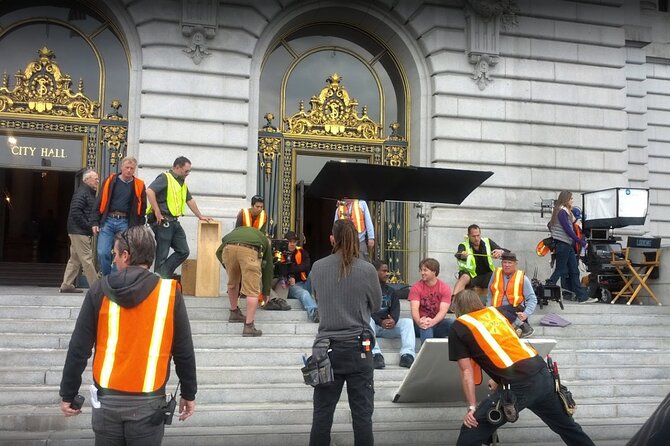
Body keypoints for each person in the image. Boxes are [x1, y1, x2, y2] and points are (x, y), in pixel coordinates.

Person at [58, 226, 197, 445]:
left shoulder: (99, 290)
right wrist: (189, 393)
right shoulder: (169, 293)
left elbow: (78, 348)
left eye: (114, 254)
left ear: (126, 255)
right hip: (148, 403)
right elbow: (183, 350)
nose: (113, 260)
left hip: (107, 402)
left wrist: (68, 393)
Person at [448, 290, 595, 446]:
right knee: (568, 428)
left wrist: (471, 407)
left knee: (471, 429)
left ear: (457, 308)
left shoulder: (459, 326)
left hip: (518, 385)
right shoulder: (496, 312)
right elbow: (507, 345)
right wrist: (498, 379)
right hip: (543, 375)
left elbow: (466, 371)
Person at [309, 219, 381, 446]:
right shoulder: (367, 269)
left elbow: (317, 297)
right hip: (359, 347)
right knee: (362, 415)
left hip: (325, 349)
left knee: (322, 414)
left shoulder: (318, 267)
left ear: (333, 238)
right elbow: (377, 305)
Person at [146, 156, 214, 279]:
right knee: (162, 253)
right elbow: (150, 191)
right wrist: (157, 211)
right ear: (177, 167)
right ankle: (159, 279)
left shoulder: (181, 182)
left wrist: (200, 216)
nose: (188, 173)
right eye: (186, 171)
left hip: (174, 221)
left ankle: (160, 274)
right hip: (163, 221)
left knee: (183, 251)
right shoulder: (165, 178)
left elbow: (189, 200)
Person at [216, 225, 273, 337]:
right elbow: (268, 268)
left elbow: (218, 252)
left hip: (228, 248)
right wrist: (266, 292)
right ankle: (249, 326)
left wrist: (228, 266)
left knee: (232, 283)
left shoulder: (239, 231)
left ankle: (234, 313)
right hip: (249, 251)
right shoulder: (264, 241)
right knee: (252, 289)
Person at [94, 156, 147, 276]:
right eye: (127, 167)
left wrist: (139, 227)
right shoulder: (110, 181)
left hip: (125, 222)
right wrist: (95, 222)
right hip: (108, 220)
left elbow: (142, 207)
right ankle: (107, 277)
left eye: (132, 168)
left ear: (134, 170)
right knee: (103, 252)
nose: (129, 170)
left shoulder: (139, 184)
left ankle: (114, 277)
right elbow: (99, 201)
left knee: (122, 253)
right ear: (121, 167)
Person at [546, 191, 597, 303]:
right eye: (571, 198)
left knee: (574, 271)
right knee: (560, 269)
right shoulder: (562, 212)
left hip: (565, 245)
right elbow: (568, 230)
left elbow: (550, 225)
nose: (572, 201)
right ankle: (547, 288)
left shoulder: (558, 211)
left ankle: (582, 296)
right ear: (566, 199)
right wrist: (580, 241)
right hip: (564, 244)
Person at [370, 260, 416, 369]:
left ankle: (407, 355)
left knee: (407, 322)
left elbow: (396, 309)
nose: (387, 274)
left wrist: (393, 320)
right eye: (384, 271)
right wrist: (380, 321)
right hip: (373, 326)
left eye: (388, 271)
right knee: (367, 319)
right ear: (374, 272)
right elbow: (365, 311)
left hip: (388, 327)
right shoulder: (367, 289)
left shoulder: (391, 291)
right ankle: (375, 355)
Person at [60, 169, 99, 293]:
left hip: (76, 230)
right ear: (87, 179)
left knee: (75, 258)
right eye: (95, 178)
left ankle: (67, 284)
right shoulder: (83, 192)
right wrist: (89, 226)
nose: (97, 181)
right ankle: (96, 286)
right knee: (87, 259)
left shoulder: (86, 192)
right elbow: (76, 211)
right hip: (79, 231)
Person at [269, 230, 319, 321]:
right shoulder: (279, 254)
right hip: (290, 285)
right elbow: (280, 270)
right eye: (290, 242)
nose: (292, 244)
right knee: (304, 293)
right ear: (285, 242)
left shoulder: (302, 252)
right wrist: (291, 274)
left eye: (294, 242)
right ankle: (314, 312)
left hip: (304, 282)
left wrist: (291, 271)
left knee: (313, 273)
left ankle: (318, 301)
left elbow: (306, 266)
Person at [486, 252, 537, 338]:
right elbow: (490, 294)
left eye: (510, 263)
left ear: (515, 264)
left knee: (498, 311)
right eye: (504, 262)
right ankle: (518, 327)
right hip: (497, 310)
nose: (507, 265)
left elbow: (532, 299)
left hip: (515, 309)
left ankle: (524, 327)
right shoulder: (495, 275)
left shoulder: (523, 278)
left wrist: (526, 313)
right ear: (501, 263)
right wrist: (488, 309)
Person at [453, 224, 506, 295]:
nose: (476, 238)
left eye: (478, 235)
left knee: (500, 273)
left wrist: (500, 252)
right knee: (464, 277)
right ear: (468, 236)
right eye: (473, 236)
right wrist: (463, 255)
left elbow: (505, 251)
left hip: (486, 276)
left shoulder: (487, 241)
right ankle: (453, 299)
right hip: (471, 276)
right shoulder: (463, 245)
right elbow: (458, 254)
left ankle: (502, 300)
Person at [409, 258, 453, 342]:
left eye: (425, 270)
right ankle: (427, 355)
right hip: (420, 324)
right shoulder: (416, 287)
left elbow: (443, 311)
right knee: (425, 326)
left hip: (437, 323)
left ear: (434, 271)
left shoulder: (444, 288)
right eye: (421, 270)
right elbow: (414, 309)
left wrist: (433, 322)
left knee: (453, 322)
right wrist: (419, 322)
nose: (422, 273)